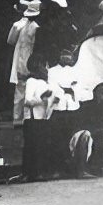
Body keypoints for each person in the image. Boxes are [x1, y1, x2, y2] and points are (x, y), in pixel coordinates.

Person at [21, 54, 63, 182]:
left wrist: (54, 100)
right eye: (45, 66)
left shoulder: (47, 82)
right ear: (38, 66)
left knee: (42, 145)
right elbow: (27, 101)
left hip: (44, 118)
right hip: (33, 118)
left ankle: (41, 172)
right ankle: (31, 173)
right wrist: (41, 98)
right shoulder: (31, 81)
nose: (46, 68)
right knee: (32, 146)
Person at [8, 0, 41, 126]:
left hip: (21, 62)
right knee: (28, 91)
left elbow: (10, 40)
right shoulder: (35, 27)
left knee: (20, 93)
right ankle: (25, 120)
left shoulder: (20, 25)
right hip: (29, 62)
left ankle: (17, 119)